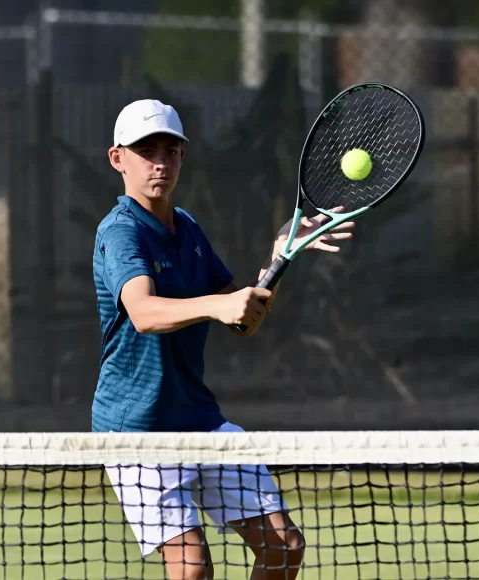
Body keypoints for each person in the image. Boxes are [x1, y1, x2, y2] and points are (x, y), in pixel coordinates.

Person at [92, 99, 354, 580]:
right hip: (137, 431)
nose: (160, 162)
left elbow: (242, 320)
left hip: (199, 420)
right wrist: (217, 305)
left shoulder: (187, 227)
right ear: (118, 158)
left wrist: (280, 258)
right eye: (146, 150)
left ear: (182, 158)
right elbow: (144, 313)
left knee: (284, 549)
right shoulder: (120, 232)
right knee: (192, 570)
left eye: (171, 150)